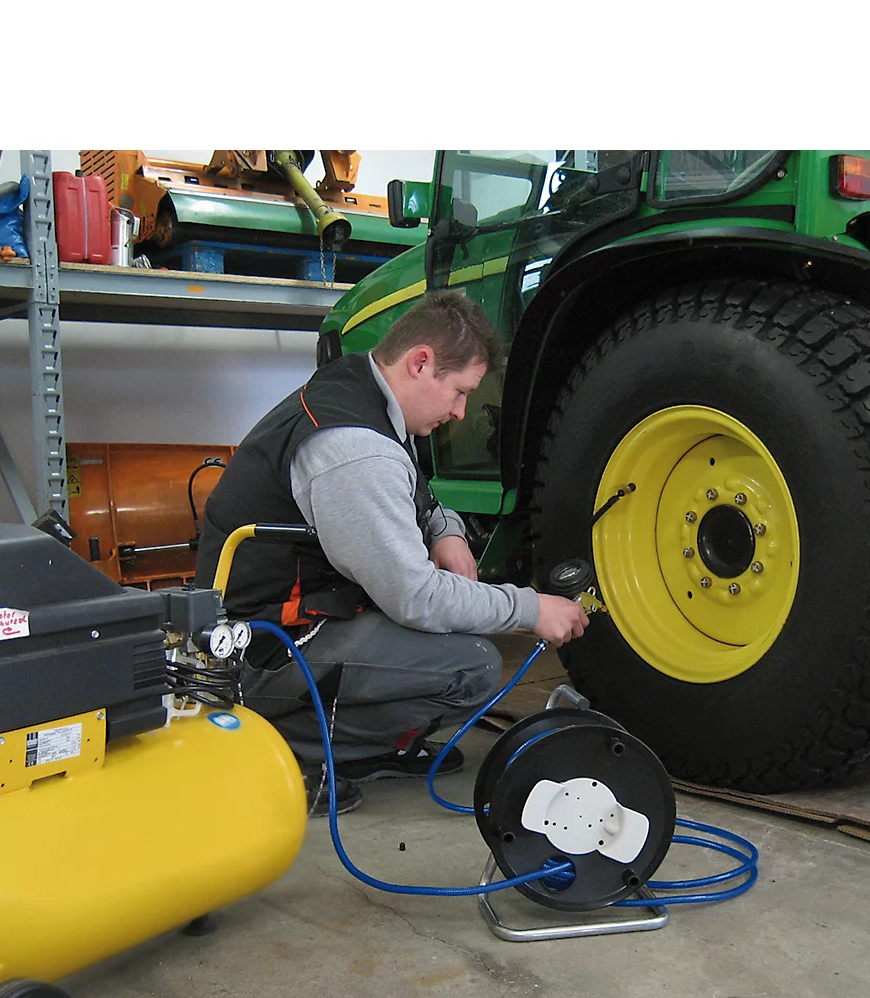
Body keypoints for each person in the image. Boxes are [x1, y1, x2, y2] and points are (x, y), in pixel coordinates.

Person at [194, 289, 588, 815]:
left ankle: (351, 735)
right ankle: (289, 745)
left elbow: (419, 493)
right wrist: (531, 607)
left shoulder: (362, 388)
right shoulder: (354, 448)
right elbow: (417, 598)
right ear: (421, 362)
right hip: (261, 652)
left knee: (459, 630)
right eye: (459, 392)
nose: (460, 411)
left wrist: (446, 530)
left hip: (290, 618)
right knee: (471, 666)